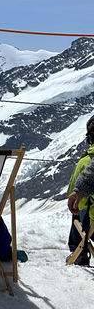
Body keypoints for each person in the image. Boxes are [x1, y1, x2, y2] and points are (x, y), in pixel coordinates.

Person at [66, 113, 94, 266]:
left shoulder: (85, 161)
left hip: (91, 225)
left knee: (77, 212)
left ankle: (78, 252)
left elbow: (72, 193)